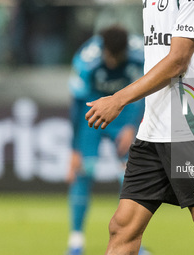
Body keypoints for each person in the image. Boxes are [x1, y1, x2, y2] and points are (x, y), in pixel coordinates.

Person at [86, 1, 194, 255]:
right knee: (122, 227)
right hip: (152, 127)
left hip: (191, 127)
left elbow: (178, 61)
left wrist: (118, 99)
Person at [67, 26, 146, 255]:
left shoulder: (140, 54)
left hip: (124, 114)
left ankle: (132, 242)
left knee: (131, 176)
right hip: (90, 113)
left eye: (116, 57)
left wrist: (133, 125)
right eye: (108, 56)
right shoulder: (86, 59)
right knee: (84, 170)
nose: (111, 61)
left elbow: (146, 91)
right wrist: (74, 148)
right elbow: (75, 102)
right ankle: (75, 242)